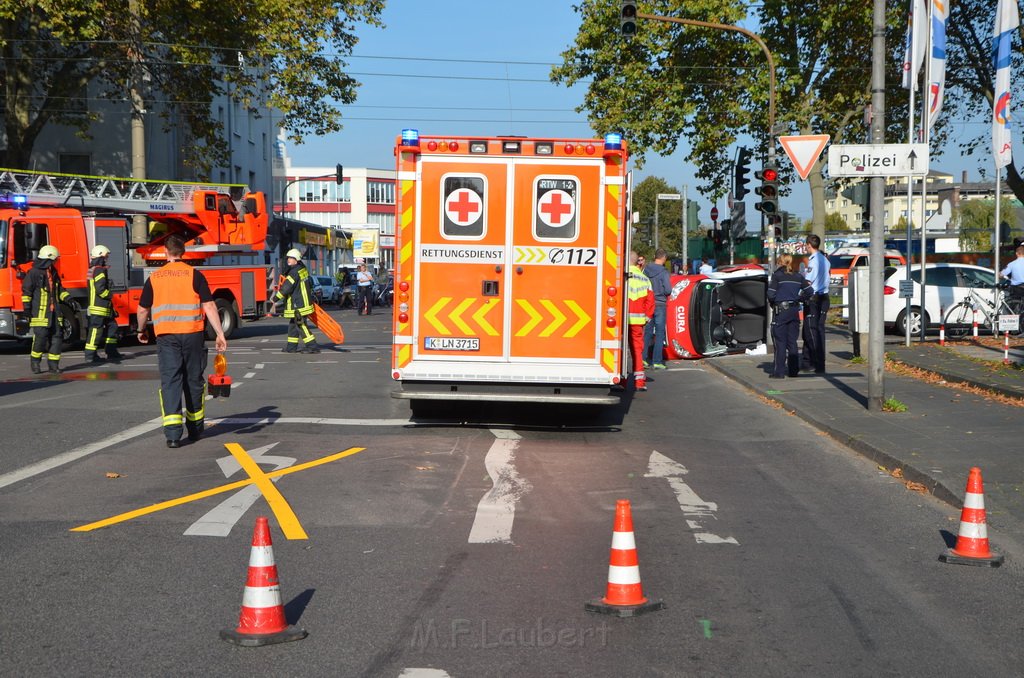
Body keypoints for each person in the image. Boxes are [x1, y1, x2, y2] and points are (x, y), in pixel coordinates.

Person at [136, 234, 227, 448]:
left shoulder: (155, 278)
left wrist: (141, 330)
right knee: (194, 380)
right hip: (193, 334)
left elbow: (142, 309)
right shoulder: (194, 275)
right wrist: (220, 333)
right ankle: (195, 429)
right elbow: (209, 306)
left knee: (171, 381)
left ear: (166, 252)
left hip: (166, 337)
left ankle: (173, 435)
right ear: (183, 253)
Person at [21, 244, 72, 374]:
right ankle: (35, 363)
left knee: (57, 338)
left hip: (54, 312)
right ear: (48, 258)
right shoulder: (33, 273)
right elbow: (27, 292)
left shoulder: (52, 271)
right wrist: (26, 309)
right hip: (40, 313)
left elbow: (59, 289)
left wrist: (68, 299)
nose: (55, 262)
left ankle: (53, 365)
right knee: (41, 338)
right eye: (54, 259)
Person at [767, 253, 812, 379]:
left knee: (780, 342)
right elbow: (809, 291)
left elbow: (770, 294)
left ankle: (779, 372)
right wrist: (799, 299)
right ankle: (793, 371)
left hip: (781, 311)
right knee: (792, 342)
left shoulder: (777, 276)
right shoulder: (797, 276)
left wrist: (774, 303)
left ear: (780, 262)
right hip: (794, 311)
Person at [275, 248, 319, 353]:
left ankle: (312, 346)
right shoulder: (302, 269)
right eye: (288, 258)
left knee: (301, 325)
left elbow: (287, 287)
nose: (288, 260)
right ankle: (291, 347)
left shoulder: (294, 272)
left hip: (298, 305)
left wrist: (275, 298)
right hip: (303, 303)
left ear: (296, 259)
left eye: (291, 258)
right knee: (293, 327)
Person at [83, 245, 122, 364]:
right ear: (101, 256)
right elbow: (100, 289)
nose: (106, 260)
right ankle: (90, 355)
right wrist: (110, 295)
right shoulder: (99, 270)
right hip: (99, 307)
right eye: (105, 257)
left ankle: (111, 351)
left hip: (102, 307)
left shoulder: (93, 269)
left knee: (113, 326)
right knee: (96, 330)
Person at [801, 234, 831, 374]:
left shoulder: (813, 262)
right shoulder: (825, 260)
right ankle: (809, 362)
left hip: (814, 299)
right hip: (824, 298)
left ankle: (816, 363)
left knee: (811, 332)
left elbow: (808, 282)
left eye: (806, 245)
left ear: (809, 245)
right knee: (818, 331)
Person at [627, 250, 654, 391]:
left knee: (618, 351)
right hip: (638, 321)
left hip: (621, 320)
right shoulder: (644, 279)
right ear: (638, 261)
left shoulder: (619, 276)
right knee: (637, 351)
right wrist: (647, 318)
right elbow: (650, 301)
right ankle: (639, 382)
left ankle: (621, 380)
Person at [642, 248, 671, 370]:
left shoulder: (646, 270)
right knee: (659, 333)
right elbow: (668, 290)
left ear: (655, 256)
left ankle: (643, 359)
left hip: (648, 303)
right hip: (660, 304)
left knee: (647, 332)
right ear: (664, 258)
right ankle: (657, 361)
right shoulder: (664, 272)